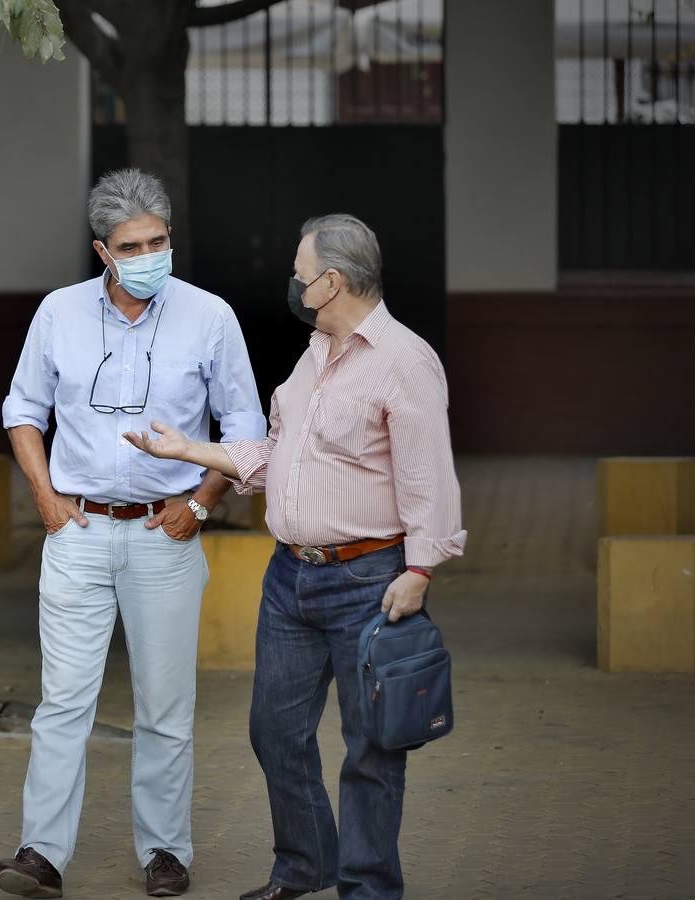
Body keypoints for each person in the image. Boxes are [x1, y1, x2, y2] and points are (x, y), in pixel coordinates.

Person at [124, 214, 467, 900]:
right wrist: (187, 450)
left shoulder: (405, 361)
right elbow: (274, 456)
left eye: (299, 272)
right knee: (273, 733)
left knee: (371, 749)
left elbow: (428, 477)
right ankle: (304, 867)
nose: (292, 282)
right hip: (289, 578)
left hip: (369, 579)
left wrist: (420, 570)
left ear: (330, 282)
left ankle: (366, 888)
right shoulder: (313, 354)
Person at [0, 169, 266, 898]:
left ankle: (165, 853)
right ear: (100, 251)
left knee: (166, 707)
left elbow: (245, 428)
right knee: (63, 702)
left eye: (158, 240)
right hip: (77, 530)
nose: (148, 253)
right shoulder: (58, 312)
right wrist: (46, 499)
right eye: (131, 245)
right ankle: (40, 853)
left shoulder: (209, 316)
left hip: (165, 534)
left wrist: (203, 502)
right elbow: (22, 408)